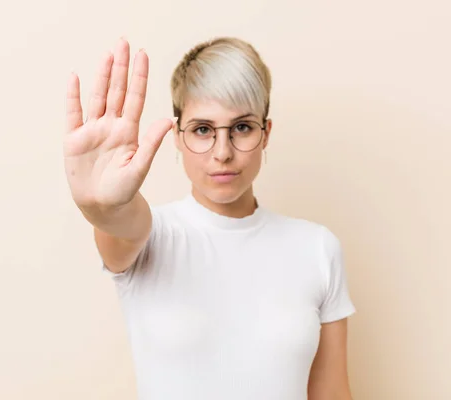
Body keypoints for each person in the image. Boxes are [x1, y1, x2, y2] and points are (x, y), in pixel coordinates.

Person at [63, 36, 356, 400]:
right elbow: (119, 221)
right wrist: (101, 204)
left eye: (242, 127)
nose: (223, 152)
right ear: (177, 136)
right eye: (203, 129)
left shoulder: (317, 248)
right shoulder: (151, 237)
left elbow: (332, 393)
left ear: (266, 134)